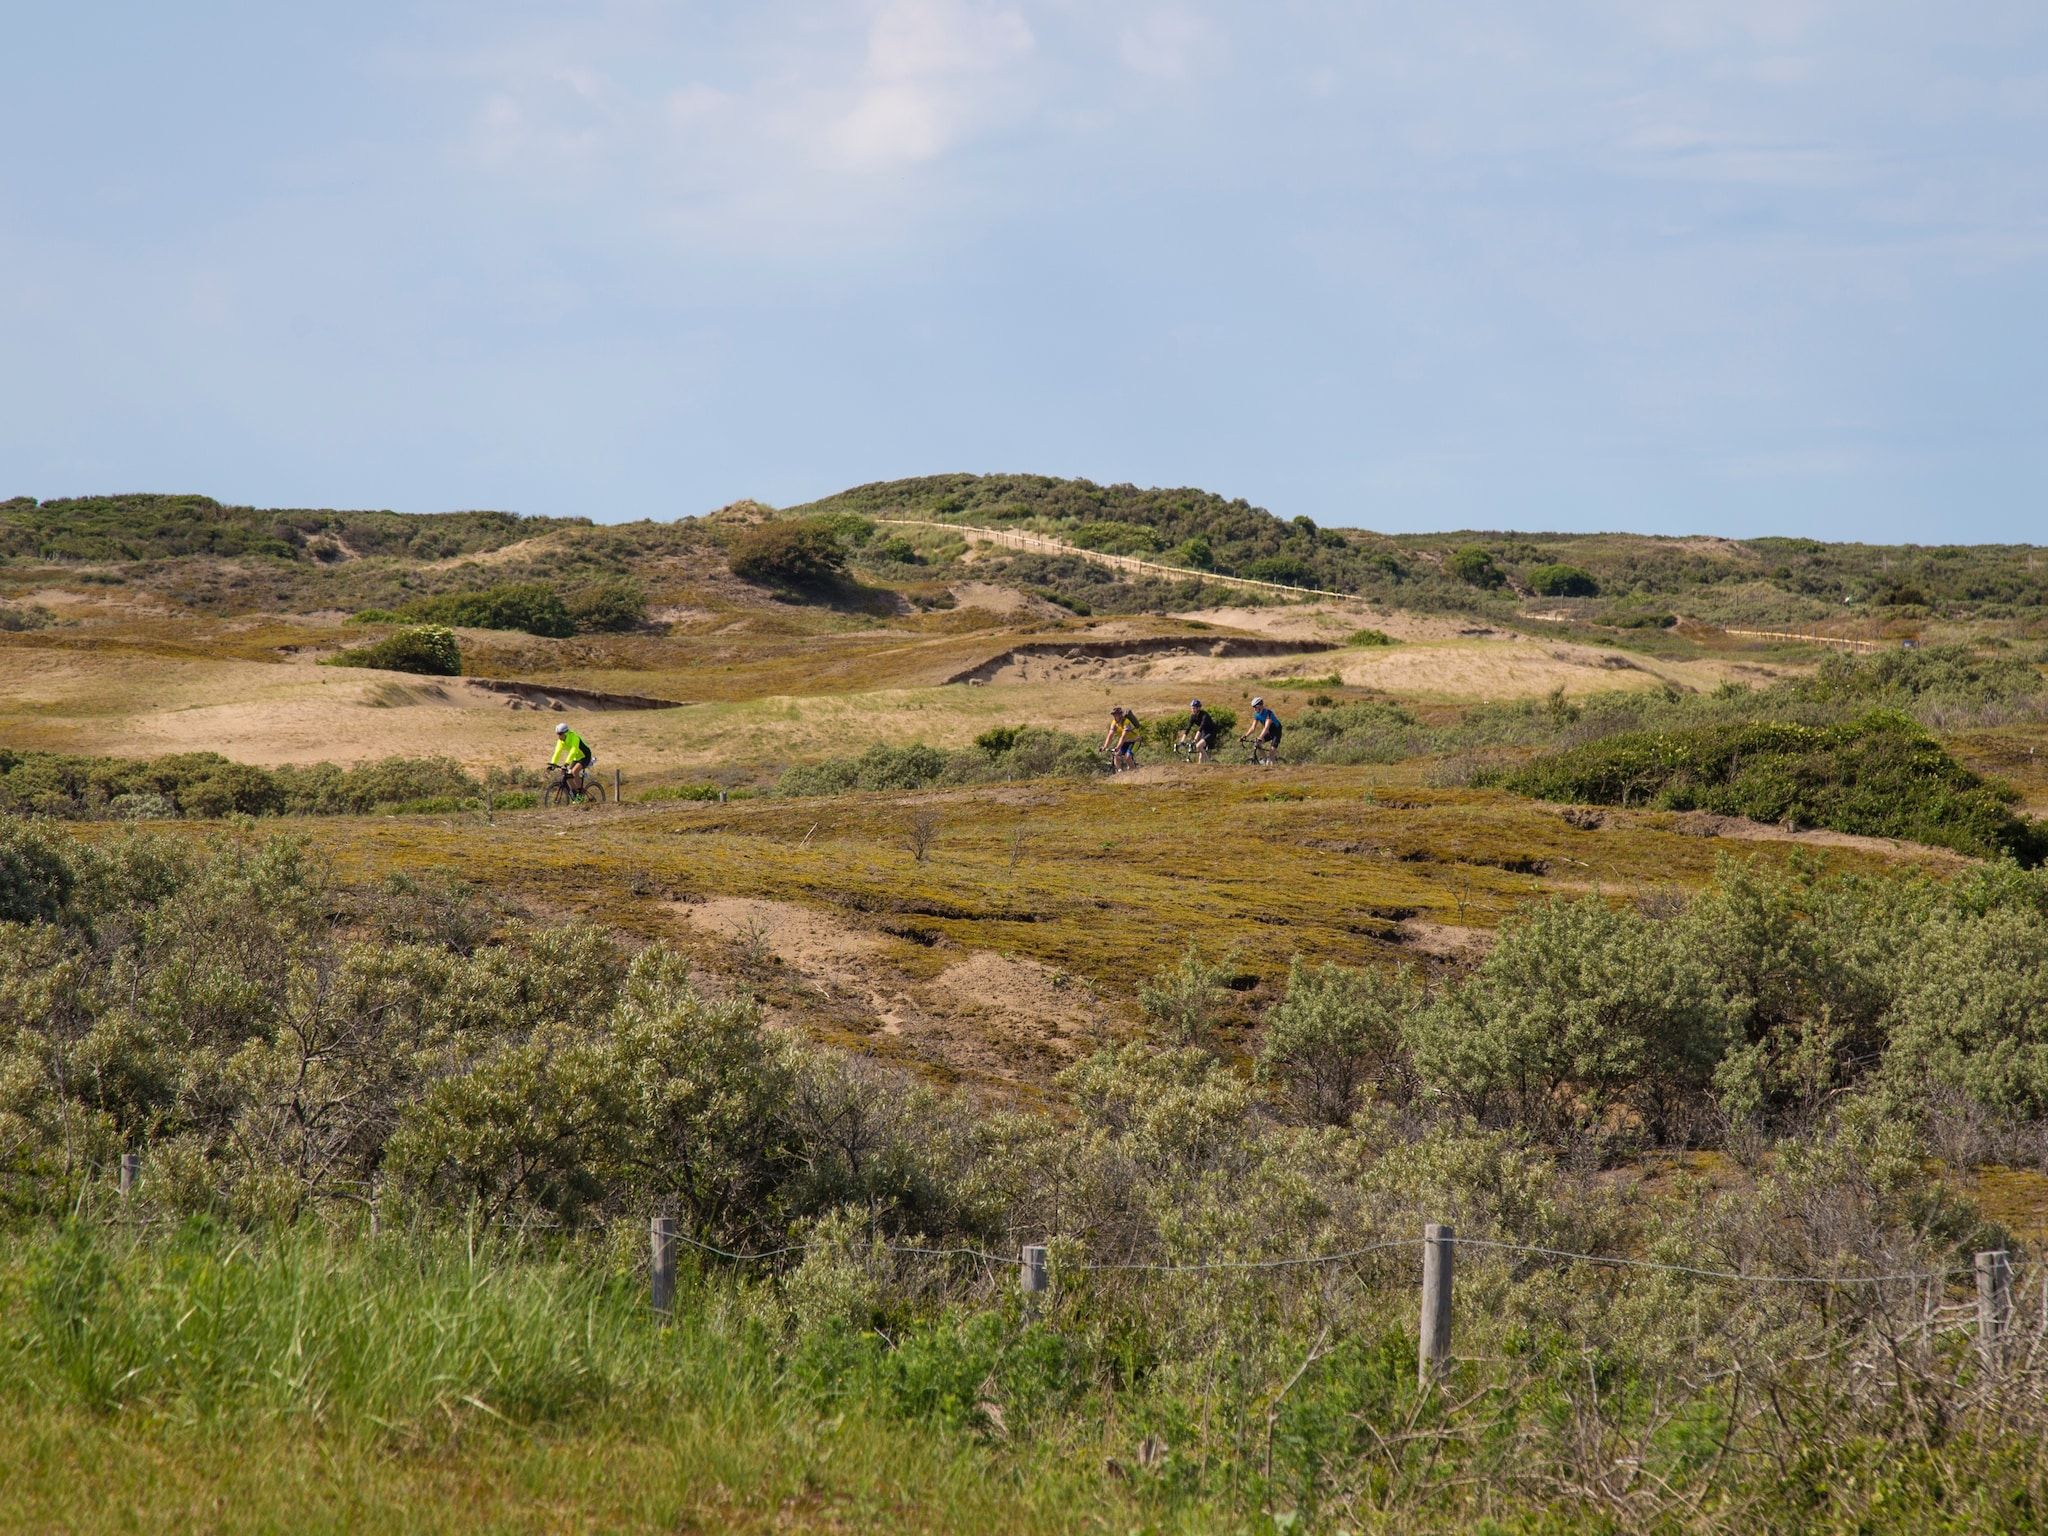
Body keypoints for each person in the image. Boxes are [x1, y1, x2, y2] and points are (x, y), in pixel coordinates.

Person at [550, 721, 593, 796]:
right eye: (557, 734)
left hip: (585, 756)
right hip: (576, 757)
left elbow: (573, 750)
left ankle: (581, 794)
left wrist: (566, 763)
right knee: (566, 774)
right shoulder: (561, 741)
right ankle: (575, 793)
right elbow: (557, 752)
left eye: (560, 734)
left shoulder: (574, 737)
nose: (558, 736)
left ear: (565, 733)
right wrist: (553, 764)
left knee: (574, 772)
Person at [1241, 696, 1282, 763]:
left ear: (1260, 706)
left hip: (1276, 732)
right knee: (1257, 743)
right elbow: (1253, 728)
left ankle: (1272, 765)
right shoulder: (1256, 715)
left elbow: (1266, 727)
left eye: (1255, 707)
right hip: (1269, 732)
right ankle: (1265, 759)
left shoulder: (1268, 713)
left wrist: (1260, 737)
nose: (1254, 709)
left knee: (1271, 755)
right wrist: (1245, 736)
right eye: (1253, 707)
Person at [1101, 706, 1141, 771]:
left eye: (1117, 714)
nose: (1115, 716)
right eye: (1113, 714)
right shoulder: (1114, 722)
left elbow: (1123, 736)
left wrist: (1118, 747)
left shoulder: (1126, 722)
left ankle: (1134, 773)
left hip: (1135, 741)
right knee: (1116, 755)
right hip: (1125, 742)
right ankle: (1120, 773)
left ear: (1120, 714)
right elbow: (1110, 735)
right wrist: (1104, 747)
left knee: (1127, 757)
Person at [1183, 698, 1218, 763]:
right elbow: (1188, 728)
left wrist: (1195, 740)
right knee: (1200, 753)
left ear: (1198, 708)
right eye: (1192, 708)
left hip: (1211, 732)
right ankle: (1200, 767)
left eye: (1194, 708)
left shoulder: (1204, 715)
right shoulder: (1193, 716)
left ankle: (1209, 763)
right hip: (1204, 732)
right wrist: (1182, 740)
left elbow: (1200, 728)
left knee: (1198, 746)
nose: (1193, 709)